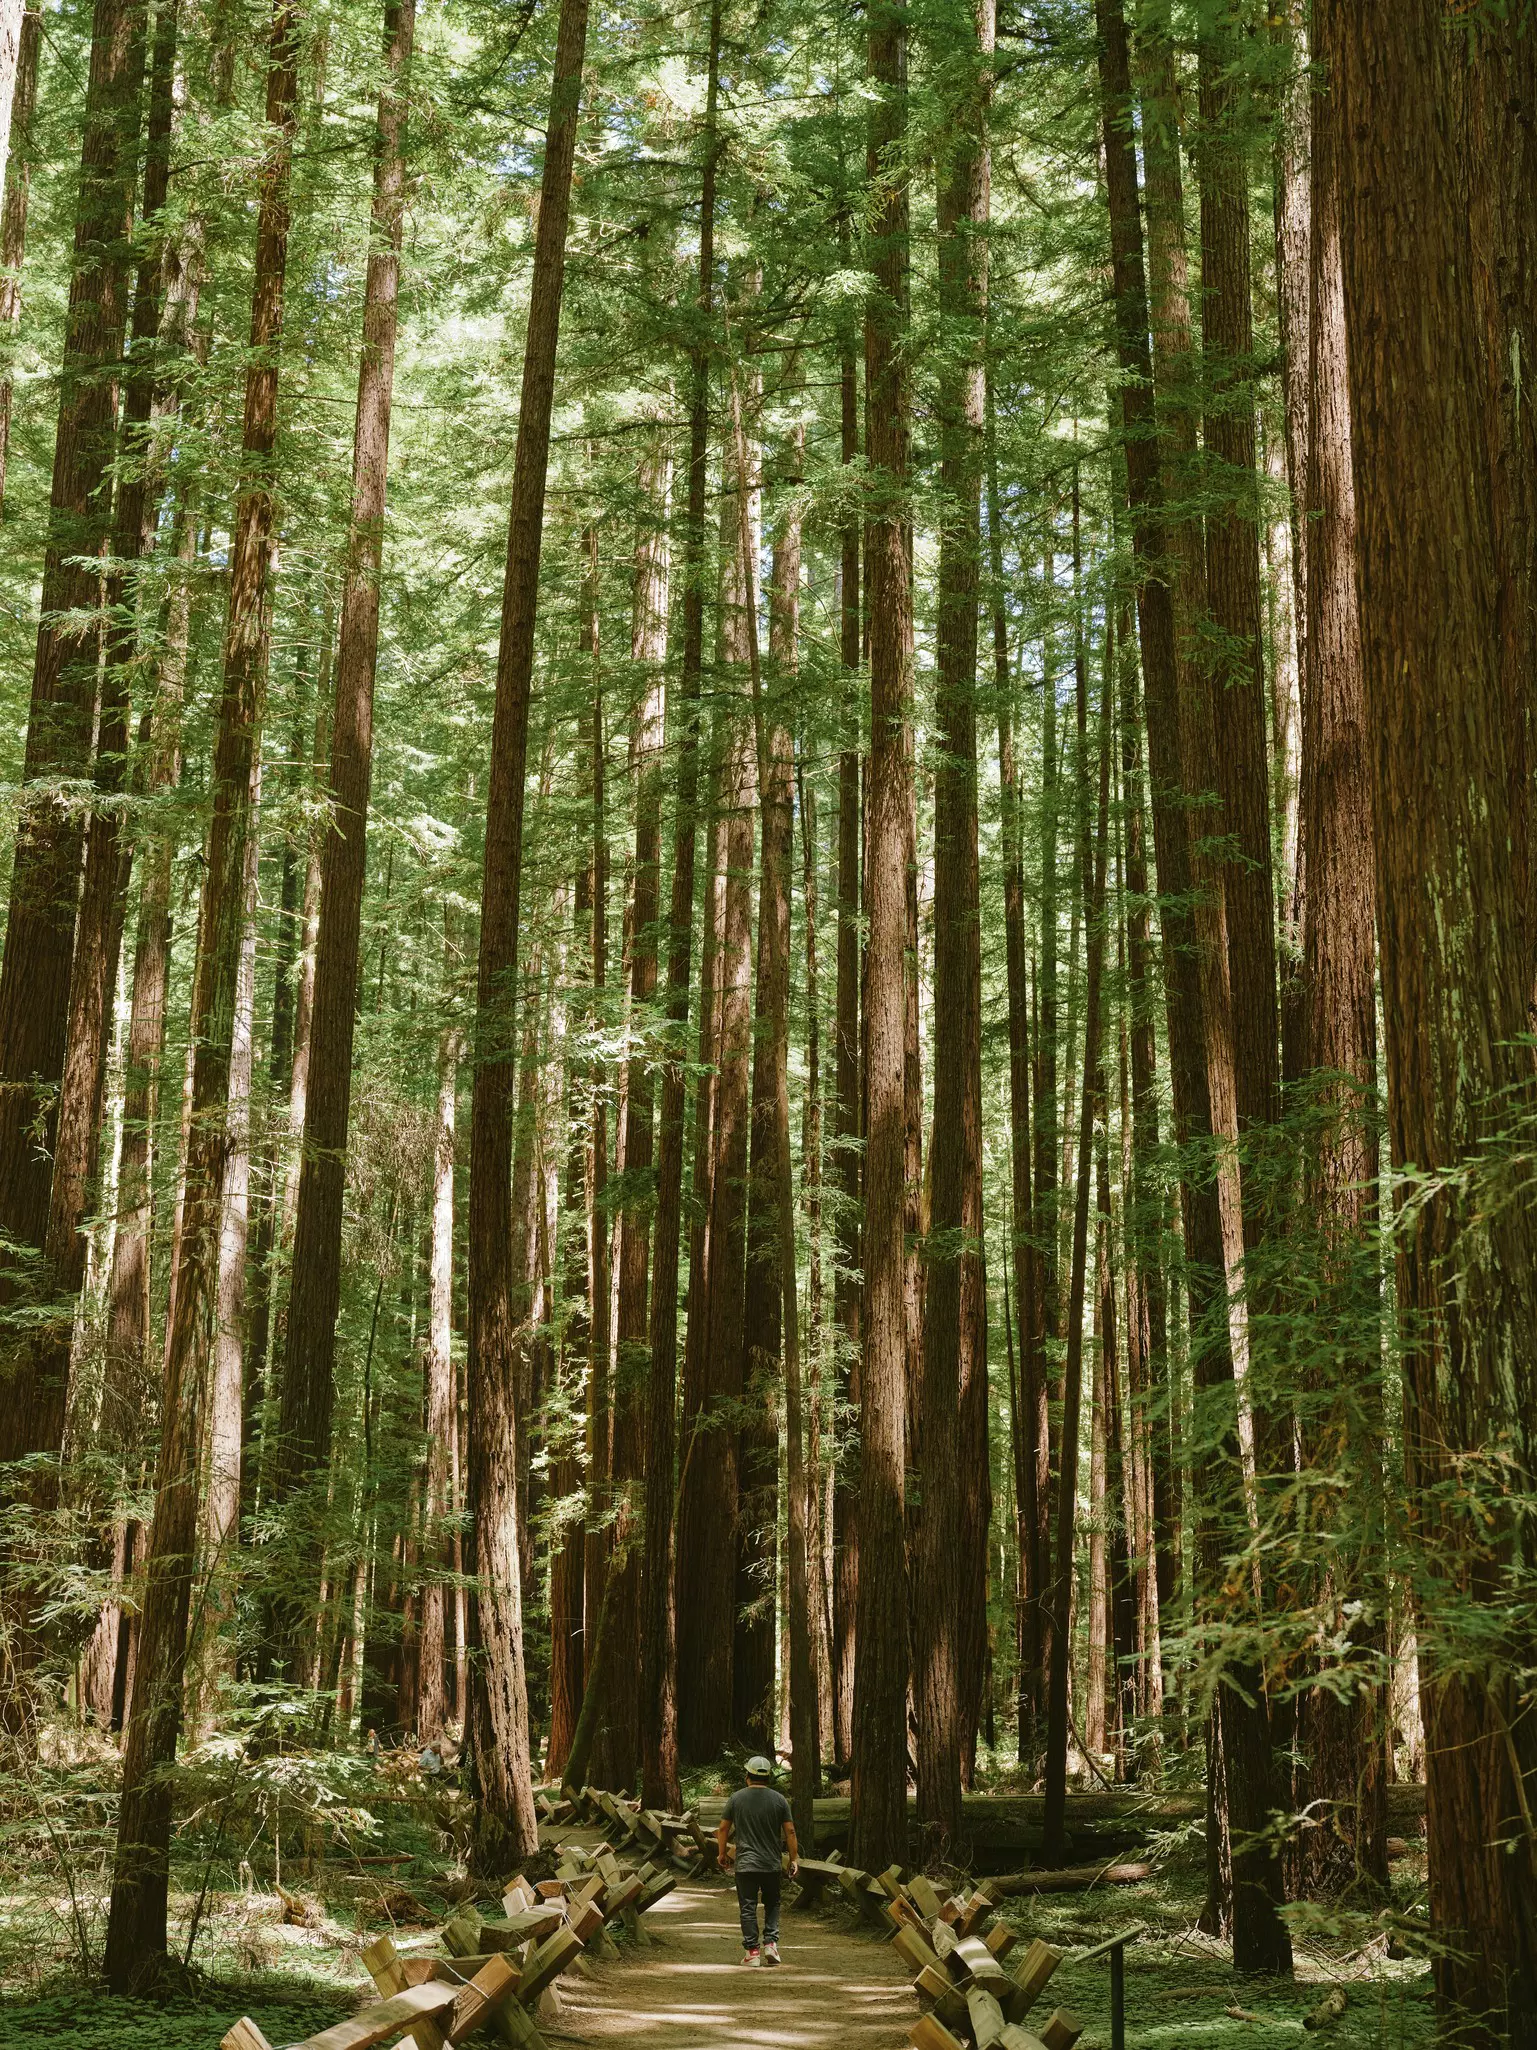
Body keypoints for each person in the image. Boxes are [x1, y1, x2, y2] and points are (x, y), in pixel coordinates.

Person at [716, 1754, 798, 1967]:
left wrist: (722, 1853)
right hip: (771, 1863)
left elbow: (723, 1828)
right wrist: (793, 1859)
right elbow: (790, 1831)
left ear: (747, 1776)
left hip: (745, 1864)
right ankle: (771, 1944)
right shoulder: (779, 1800)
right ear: (769, 1777)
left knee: (748, 1906)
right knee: (772, 1903)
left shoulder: (736, 1798)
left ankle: (752, 1952)